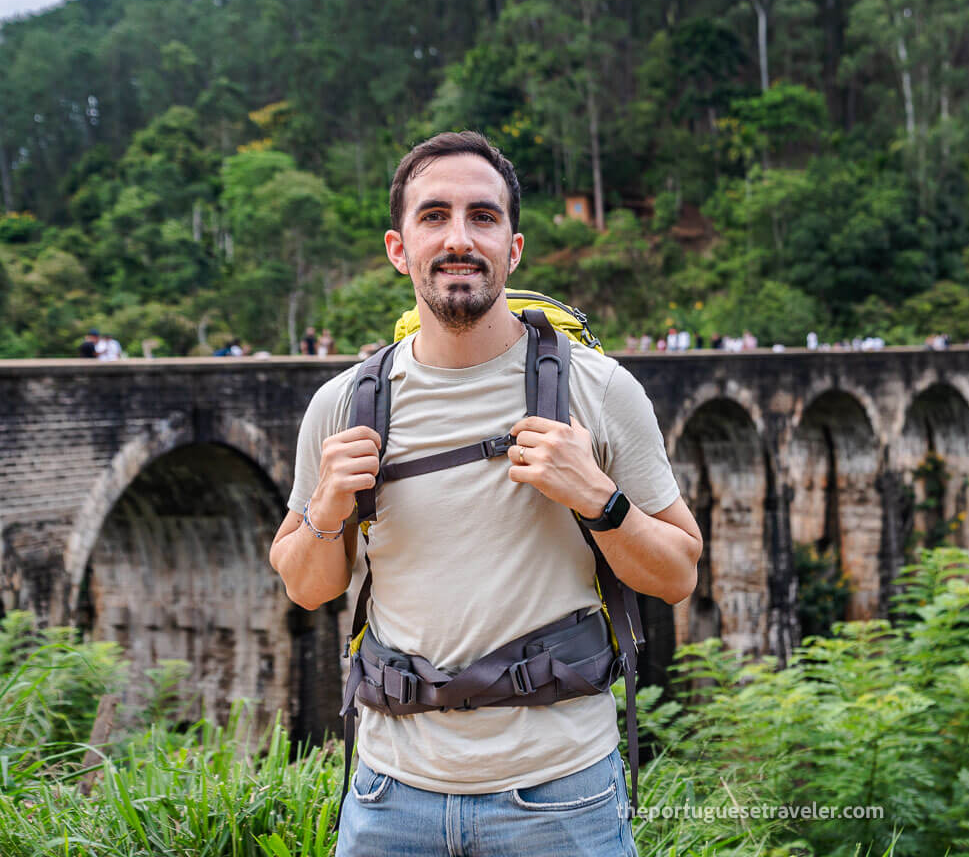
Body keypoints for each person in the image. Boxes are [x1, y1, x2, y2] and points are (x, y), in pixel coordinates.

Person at [268, 131, 701, 857]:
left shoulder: (599, 389)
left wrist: (599, 499)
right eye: (433, 216)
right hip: (388, 796)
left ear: (515, 246)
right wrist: (324, 513)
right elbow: (308, 589)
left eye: (483, 217)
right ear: (398, 248)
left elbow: (678, 573)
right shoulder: (344, 405)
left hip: (561, 794)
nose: (458, 238)